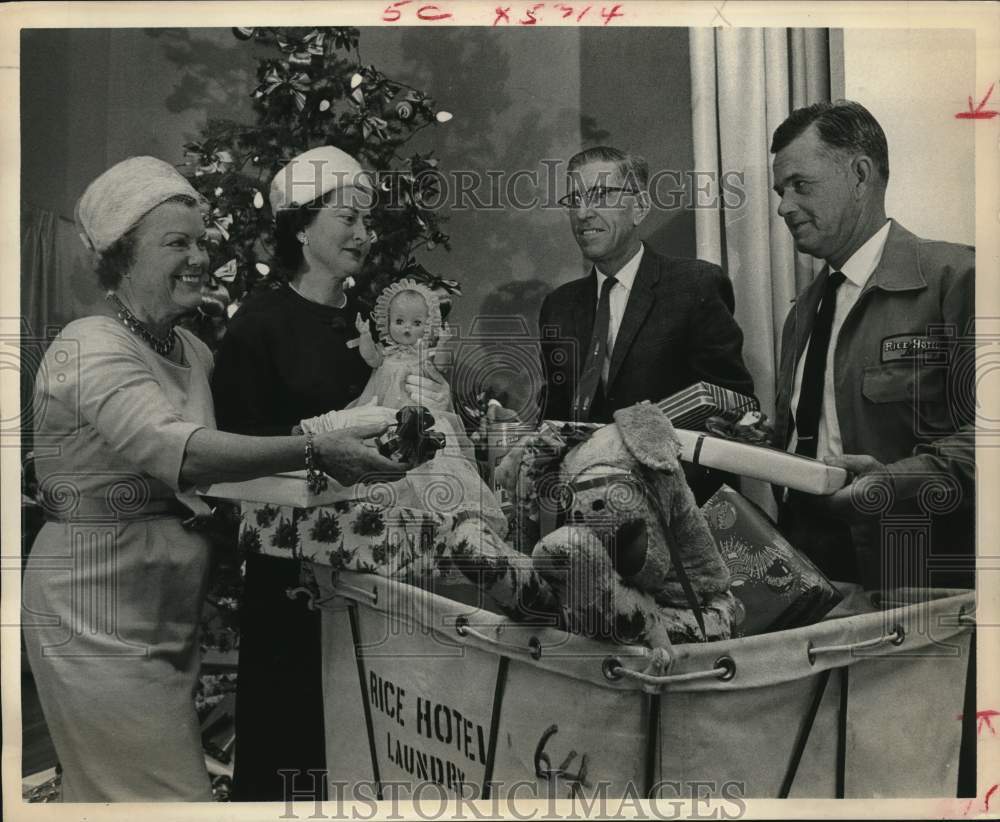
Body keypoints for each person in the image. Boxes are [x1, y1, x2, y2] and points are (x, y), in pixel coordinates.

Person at [21, 156, 407, 802]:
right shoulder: (88, 345)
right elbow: (189, 455)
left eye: (201, 241)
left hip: (168, 610)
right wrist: (317, 450)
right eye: (178, 243)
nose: (200, 257)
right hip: (90, 607)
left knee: (118, 796)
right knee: (169, 799)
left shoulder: (191, 350)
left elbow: (238, 467)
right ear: (121, 256)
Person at [210, 146, 450, 801]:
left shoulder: (365, 326)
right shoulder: (256, 327)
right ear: (300, 225)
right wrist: (322, 455)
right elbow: (229, 464)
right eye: (348, 218)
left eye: (368, 221)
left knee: (365, 753)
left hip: (373, 577)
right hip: (290, 587)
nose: (365, 234)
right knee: (296, 752)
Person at [769, 100, 975, 590]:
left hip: (921, 580)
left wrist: (890, 485)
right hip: (816, 581)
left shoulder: (956, 279)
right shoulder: (802, 313)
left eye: (800, 185)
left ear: (860, 174)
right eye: (780, 191)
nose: (783, 206)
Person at [538, 145, 755, 501]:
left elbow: (733, 410)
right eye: (574, 199)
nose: (582, 212)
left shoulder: (694, 286)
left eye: (600, 195)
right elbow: (557, 417)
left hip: (677, 510)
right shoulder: (558, 307)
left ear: (639, 207)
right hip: (587, 513)